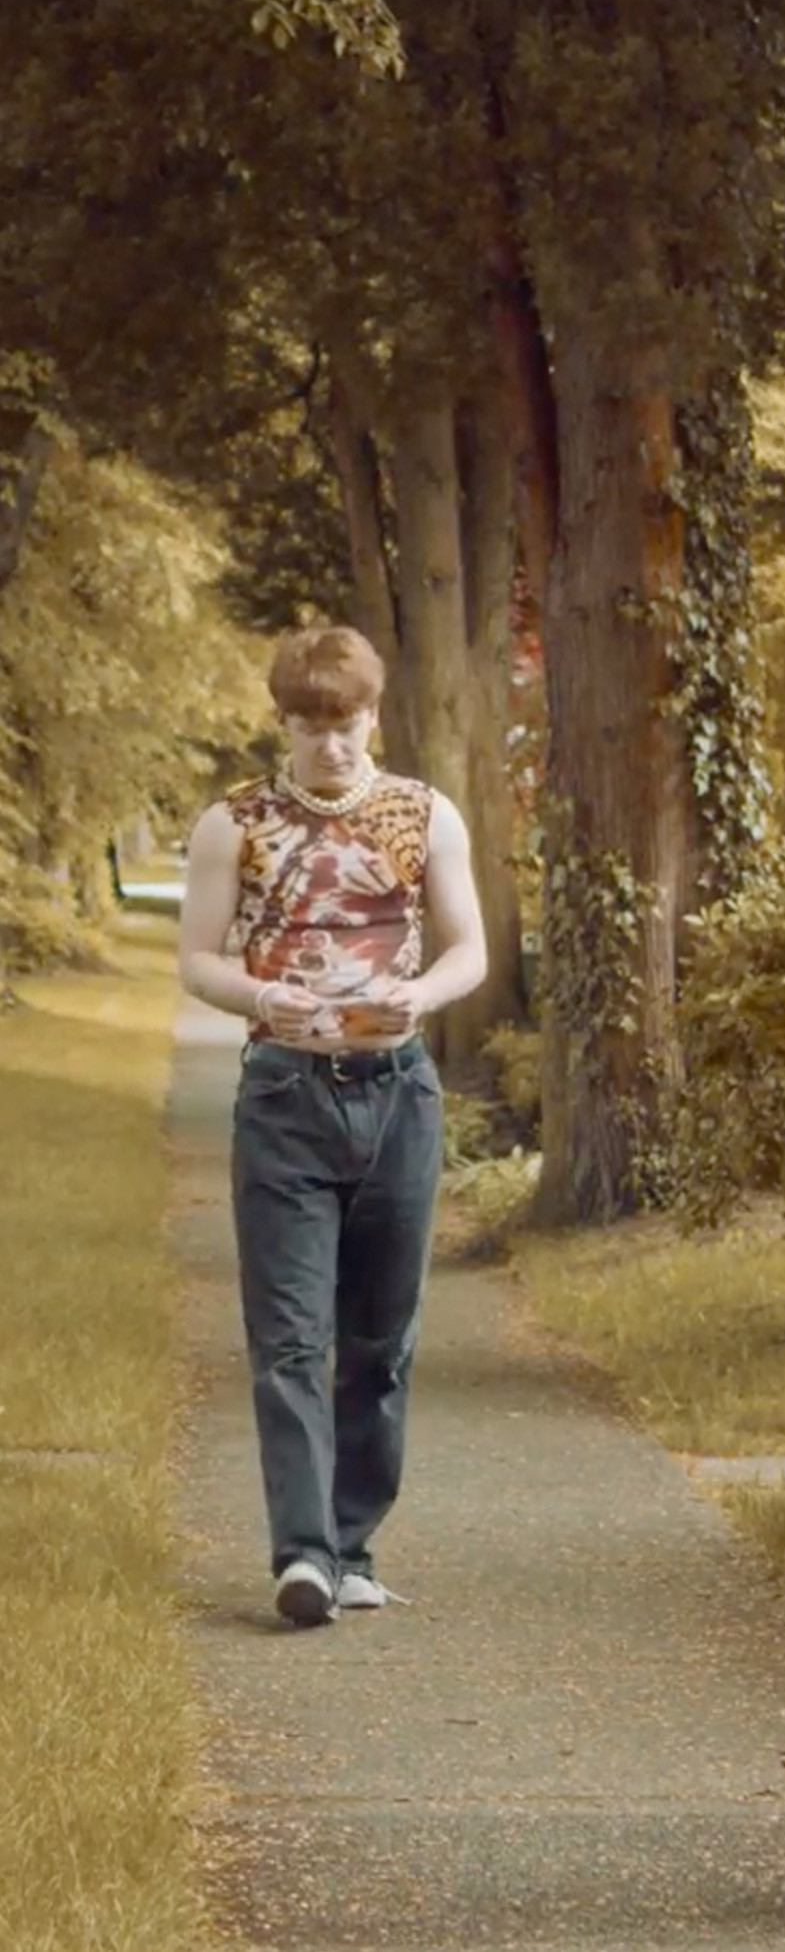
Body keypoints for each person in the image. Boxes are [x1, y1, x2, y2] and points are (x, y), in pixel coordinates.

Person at [179, 626, 488, 1628]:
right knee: (287, 1338)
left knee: (381, 1338)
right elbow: (199, 960)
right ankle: (303, 1556)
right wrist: (264, 997)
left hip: (398, 1093)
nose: (331, 744)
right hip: (285, 1096)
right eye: (311, 726)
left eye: (346, 723)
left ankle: (353, 1548)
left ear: (372, 716)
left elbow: (469, 949)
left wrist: (419, 996)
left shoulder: (424, 815)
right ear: (283, 723)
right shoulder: (233, 824)